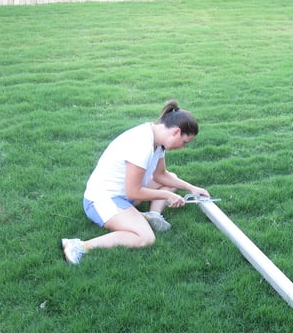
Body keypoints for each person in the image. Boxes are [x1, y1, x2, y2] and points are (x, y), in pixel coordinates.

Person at [61, 99, 209, 264]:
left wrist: (191, 188)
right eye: (184, 142)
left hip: (124, 195)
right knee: (145, 238)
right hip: (102, 201)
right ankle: (79, 245)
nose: (182, 147)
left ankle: (153, 215)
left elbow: (161, 175)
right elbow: (133, 191)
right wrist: (167, 195)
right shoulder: (141, 145)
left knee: (171, 179)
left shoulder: (158, 142)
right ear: (176, 132)